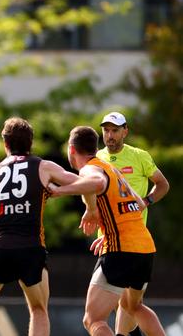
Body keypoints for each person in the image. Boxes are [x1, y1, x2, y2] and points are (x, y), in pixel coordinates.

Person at [0, 117, 86, 336]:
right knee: (39, 310)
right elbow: (82, 182)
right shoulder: (44, 167)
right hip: (31, 249)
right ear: (30, 143)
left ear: (5, 143)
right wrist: (91, 205)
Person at [48, 126, 165, 336]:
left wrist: (60, 190)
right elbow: (138, 203)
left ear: (71, 149)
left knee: (93, 319)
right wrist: (112, 225)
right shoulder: (112, 169)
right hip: (144, 247)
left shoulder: (90, 169)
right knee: (133, 307)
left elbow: (96, 182)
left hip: (121, 249)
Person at [96, 111, 169, 336]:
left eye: (115, 130)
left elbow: (162, 184)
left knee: (121, 306)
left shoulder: (139, 156)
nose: (110, 135)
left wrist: (146, 201)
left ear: (125, 131)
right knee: (127, 304)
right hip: (108, 240)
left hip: (133, 239)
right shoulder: (97, 157)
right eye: (106, 130)